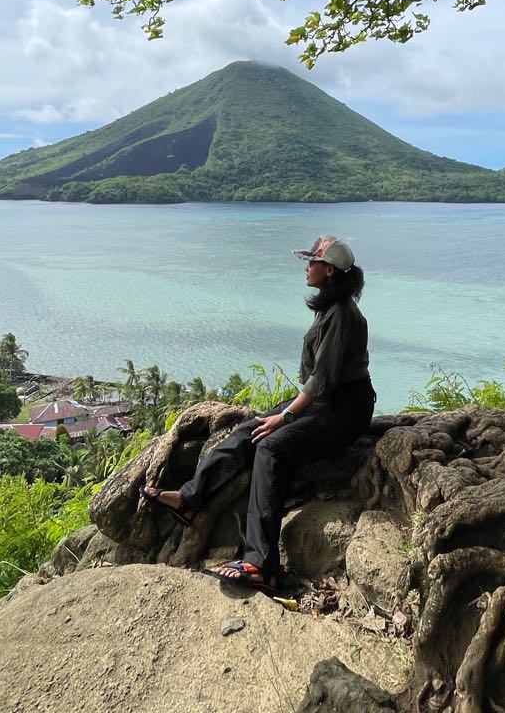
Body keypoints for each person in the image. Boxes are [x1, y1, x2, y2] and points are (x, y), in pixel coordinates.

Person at [142, 234, 376, 590]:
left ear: (328, 270)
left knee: (271, 447)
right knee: (249, 430)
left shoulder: (342, 314)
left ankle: (261, 564)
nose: (306, 269)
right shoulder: (331, 309)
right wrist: (283, 415)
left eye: (310, 263)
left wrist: (285, 417)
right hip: (324, 402)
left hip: (345, 409)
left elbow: (322, 380)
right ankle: (190, 499)